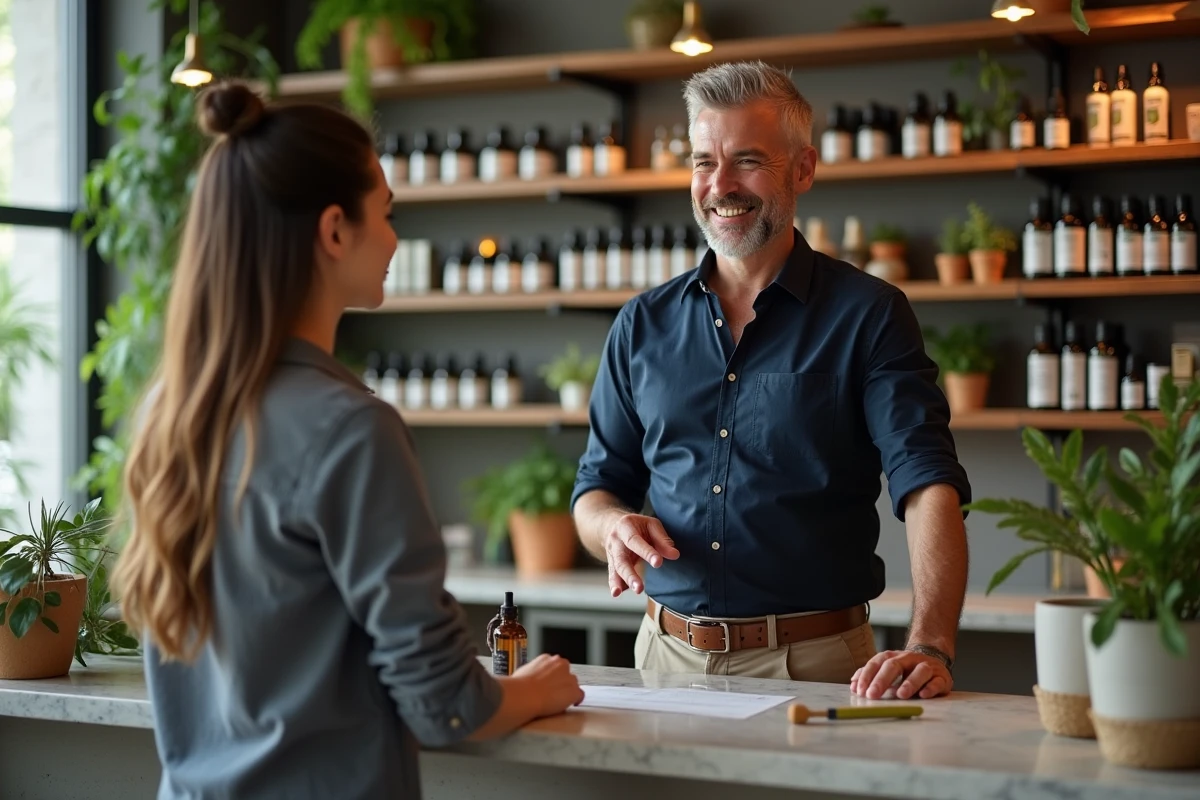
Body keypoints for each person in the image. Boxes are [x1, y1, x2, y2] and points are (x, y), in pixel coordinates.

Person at [114, 82, 583, 800]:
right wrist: (534, 688)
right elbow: (444, 704)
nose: (395, 239)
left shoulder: (167, 416)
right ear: (335, 230)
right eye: (386, 214)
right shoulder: (351, 428)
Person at [571, 61, 971, 702]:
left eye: (748, 161)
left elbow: (927, 482)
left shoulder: (869, 314)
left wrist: (930, 644)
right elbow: (596, 488)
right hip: (662, 658)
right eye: (704, 162)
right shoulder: (641, 323)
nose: (720, 185)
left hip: (816, 666)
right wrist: (613, 525)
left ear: (803, 169)